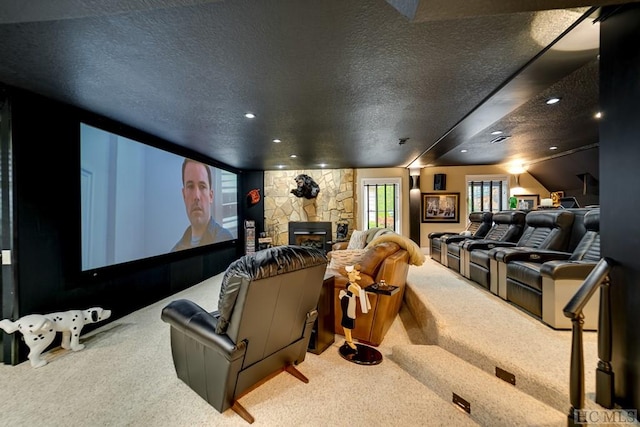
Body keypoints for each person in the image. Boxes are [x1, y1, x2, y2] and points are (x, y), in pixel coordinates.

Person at [172, 158, 233, 251]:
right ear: (184, 195)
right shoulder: (175, 251)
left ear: (211, 196)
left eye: (202, 186)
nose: (196, 196)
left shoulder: (225, 239)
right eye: (190, 186)